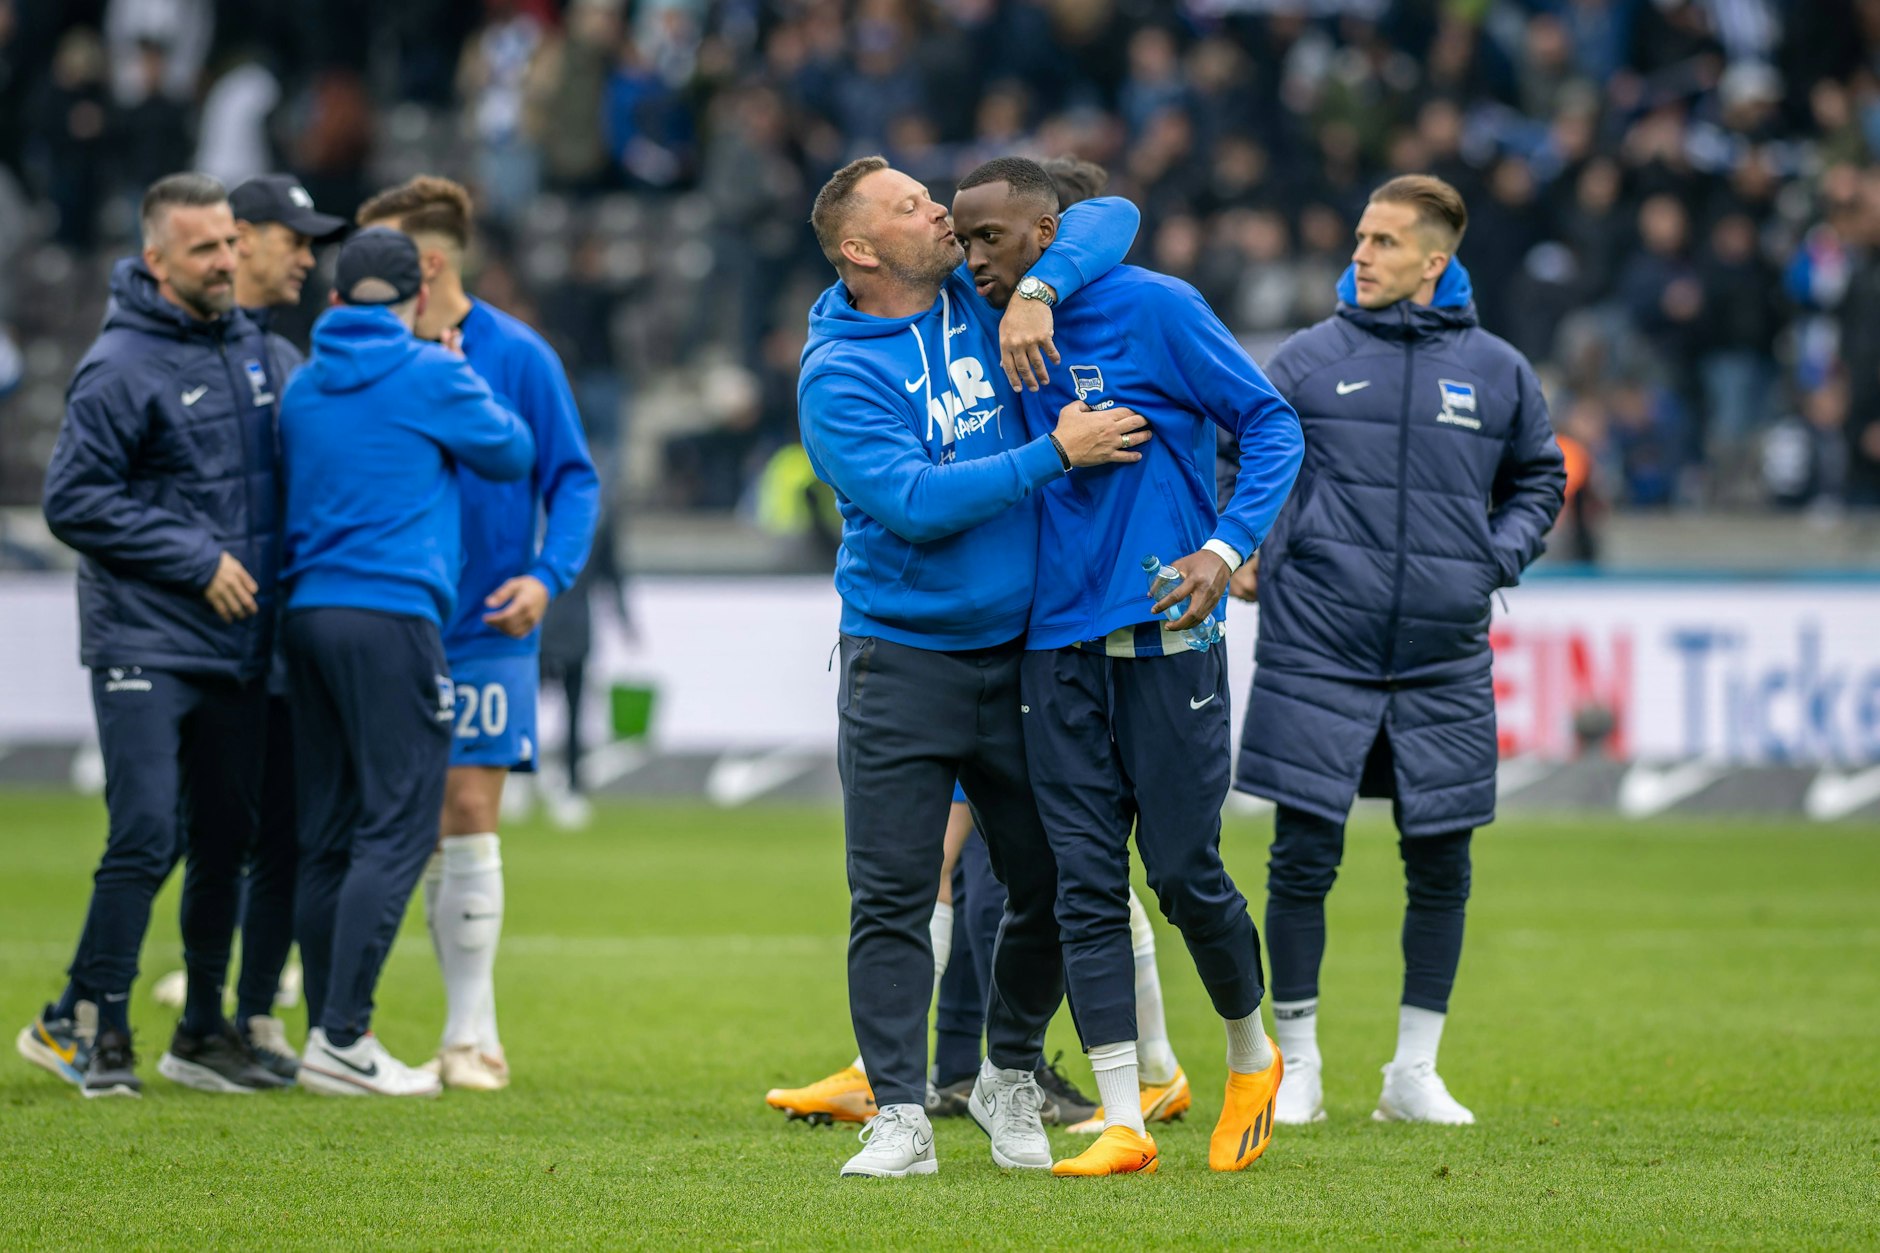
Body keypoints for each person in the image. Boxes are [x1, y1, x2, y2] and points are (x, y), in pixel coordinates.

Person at [799, 155, 1152, 1178]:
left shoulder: (980, 294)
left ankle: (1005, 1073)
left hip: (1023, 650)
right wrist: (1054, 453)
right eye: (911, 206)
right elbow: (913, 501)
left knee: (1052, 878)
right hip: (902, 659)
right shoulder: (836, 372)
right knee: (893, 893)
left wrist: (1037, 289)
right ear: (861, 248)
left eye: (929, 197)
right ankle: (899, 1112)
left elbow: (1113, 212)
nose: (939, 213)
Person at [951, 156, 1303, 1176]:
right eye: (962, 241)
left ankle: (1251, 1055)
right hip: (1051, 645)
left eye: (990, 240)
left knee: (1185, 874)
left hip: (1164, 635)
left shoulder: (1156, 308)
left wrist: (1224, 546)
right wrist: (1020, 290)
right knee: (1083, 879)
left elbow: (1271, 423)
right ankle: (1122, 1117)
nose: (973, 259)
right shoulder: (976, 318)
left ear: (1047, 236)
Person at [1228, 175, 1565, 1126]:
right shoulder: (1304, 359)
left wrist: (1488, 560)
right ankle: (1297, 1066)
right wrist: (1246, 542)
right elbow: (1237, 454)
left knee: (1443, 860)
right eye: (1360, 238)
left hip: (1442, 651)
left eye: (1383, 241)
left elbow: (1540, 478)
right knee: (1302, 857)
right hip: (1316, 642)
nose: (1360, 255)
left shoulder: (1498, 370)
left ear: (1433, 261)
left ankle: (1413, 1074)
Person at [23, 172, 289, 1097]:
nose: (224, 260)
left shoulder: (257, 347)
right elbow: (72, 499)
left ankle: (203, 1028)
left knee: (224, 836)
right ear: (156, 260)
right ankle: (100, 1031)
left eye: (229, 243)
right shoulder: (119, 364)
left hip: (236, 640)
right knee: (144, 828)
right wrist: (197, 558)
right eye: (202, 248)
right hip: (143, 637)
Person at [355, 177, 600, 1092]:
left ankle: (471, 1034)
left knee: (466, 807)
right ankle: (325, 1012)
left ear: (427, 263)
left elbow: (574, 479)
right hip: (385, 616)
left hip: (486, 621)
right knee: (389, 818)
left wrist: (546, 576)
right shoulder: (366, 349)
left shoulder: (520, 355)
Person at [279, 227, 535, 1097]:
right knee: (398, 824)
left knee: (326, 831)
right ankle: (344, 1038)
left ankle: (325, 1032)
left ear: (336, 299)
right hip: (391, 615)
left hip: (307, 615)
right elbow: (511, 451)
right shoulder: (428, 371)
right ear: (417, 297)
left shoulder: (305, 383)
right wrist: (457, 367)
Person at [147, 173, 348, 1078]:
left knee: (283, 837)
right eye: (293, 239)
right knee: (190, 834)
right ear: (243, 237)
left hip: (277, 637)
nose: (305, 257)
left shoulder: (283, 358)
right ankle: (139, 1010)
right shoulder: (185, 350)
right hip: (207, 638)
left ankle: (253, 1016)